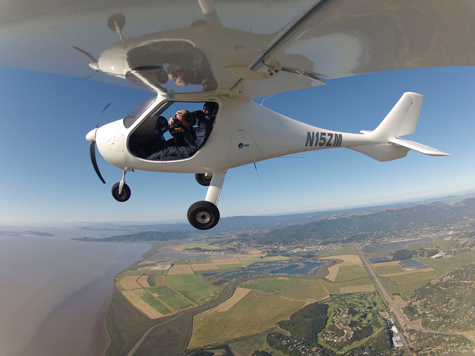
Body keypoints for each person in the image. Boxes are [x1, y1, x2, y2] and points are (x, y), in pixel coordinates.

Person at [146, 104, 217, 161]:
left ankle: (146, 159)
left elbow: (197, 146)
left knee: (168, 151)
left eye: (181, 123)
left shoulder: (203, 126)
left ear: (189, 120)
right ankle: (146, 151)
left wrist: (185, 132)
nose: (180, 125)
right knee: (168, 143)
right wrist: (171, 127)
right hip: (187, 141)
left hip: (193, 148)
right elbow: (178, 136)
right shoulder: (191, 118)